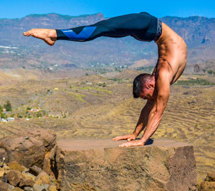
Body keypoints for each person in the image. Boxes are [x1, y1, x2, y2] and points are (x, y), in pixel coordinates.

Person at [23, 12, 187, 147]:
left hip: (150, 32)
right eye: (146, 96)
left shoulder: (160, 76)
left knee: (102, 30)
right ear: (150, 84)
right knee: (101, 28)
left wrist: (138, 137)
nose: (148, 99)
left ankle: (54, 36)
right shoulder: (164, 74)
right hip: (149, 24)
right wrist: (140, 137)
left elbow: (152, 109)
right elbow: (157, 112)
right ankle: (52, 34)